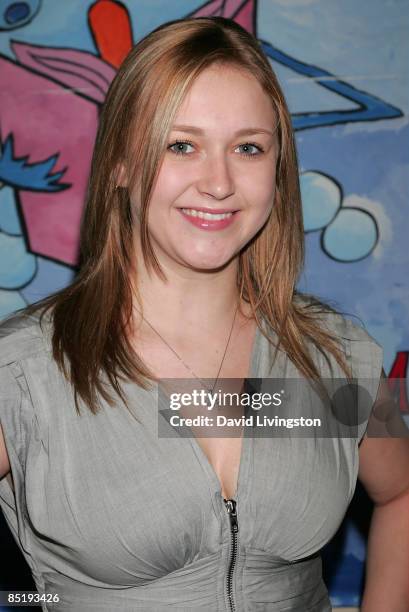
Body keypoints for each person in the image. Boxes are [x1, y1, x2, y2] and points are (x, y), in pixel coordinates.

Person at [0, 15, 408, 612]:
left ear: (278, 168)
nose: (218, 182)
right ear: (118, 161)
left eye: (248, 147)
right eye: (181, 145)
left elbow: (400, 492)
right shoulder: (25, 371)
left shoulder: (335, 356)